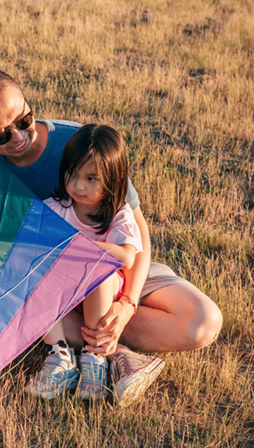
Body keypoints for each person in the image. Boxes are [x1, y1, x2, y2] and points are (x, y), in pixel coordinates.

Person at [0, 69, 222, 404]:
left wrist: (127, 304)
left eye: (22, 119)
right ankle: (115, 353)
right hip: (46, 286)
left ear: (27, 102)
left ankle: (97, 341)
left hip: (113, 269)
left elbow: (136, 232)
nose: (18, 137)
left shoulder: (83, 144)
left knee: (203, 321)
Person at [24, 124, 158, 402]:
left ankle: (95, 358)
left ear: (113, 179)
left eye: (91, 178)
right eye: (72, 174)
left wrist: (81, 247)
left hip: (104, 291)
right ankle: (60, 355)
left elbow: (127, 256)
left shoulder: (118, 213)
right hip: (64, 292)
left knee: (97, 267)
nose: (78, 186)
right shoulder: (56, 208)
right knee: (33, 272)